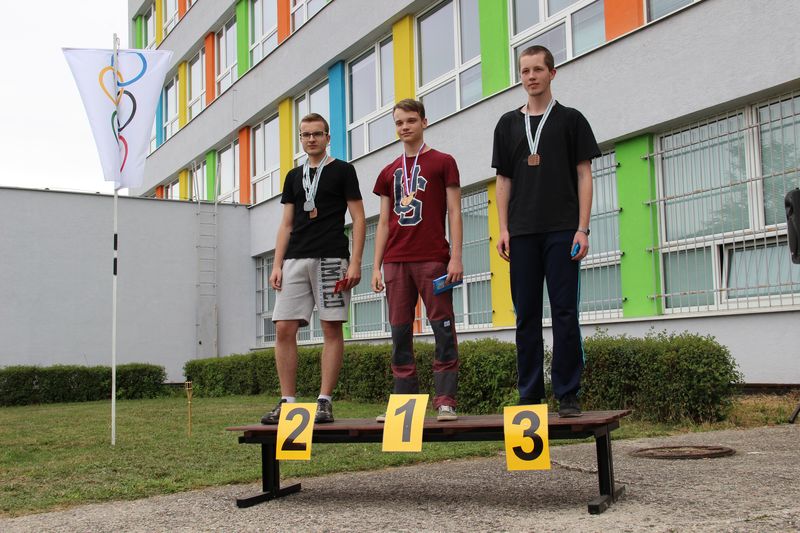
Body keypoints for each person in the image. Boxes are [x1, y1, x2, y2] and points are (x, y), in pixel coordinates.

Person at [491, 46, 600, 417]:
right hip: (521, 233)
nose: (531, 76)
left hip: (562, 231)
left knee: (565, 313)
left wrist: (582, 228)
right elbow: (503, 181)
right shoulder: (507, 124)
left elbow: (584, 175)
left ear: (552, 73)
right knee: (526, 316)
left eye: (538, 69)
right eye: (525, 71)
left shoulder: (571, 120)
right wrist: (503, 229)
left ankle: (568, 393)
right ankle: (530, 396)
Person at [261, 113, 366, 425]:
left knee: (331, 328)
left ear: (327, 137)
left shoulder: (343, 170)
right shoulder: (294, 176)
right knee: (283, 328)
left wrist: (356, 262)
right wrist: (277, 264)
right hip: (295, 260)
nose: (311, 139)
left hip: (332, 259)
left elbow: (359, 218)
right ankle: (288, 402)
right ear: (301, 139)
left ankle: (324, 401)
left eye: (317, 134)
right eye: (305, 135)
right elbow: (286, 224)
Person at [372, 98, 463, 422]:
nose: (405, 127)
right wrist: (376, 266)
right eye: (399, 122)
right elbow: (383, 223)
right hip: (396, 261)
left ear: (424, 121)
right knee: (399, 333)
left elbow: (455, 212)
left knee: (442, 327)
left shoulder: (443, 162)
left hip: (433, 260)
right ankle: (403, 403)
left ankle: (446, 401)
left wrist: (456, 257)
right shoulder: (388, 172)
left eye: (411, 120)